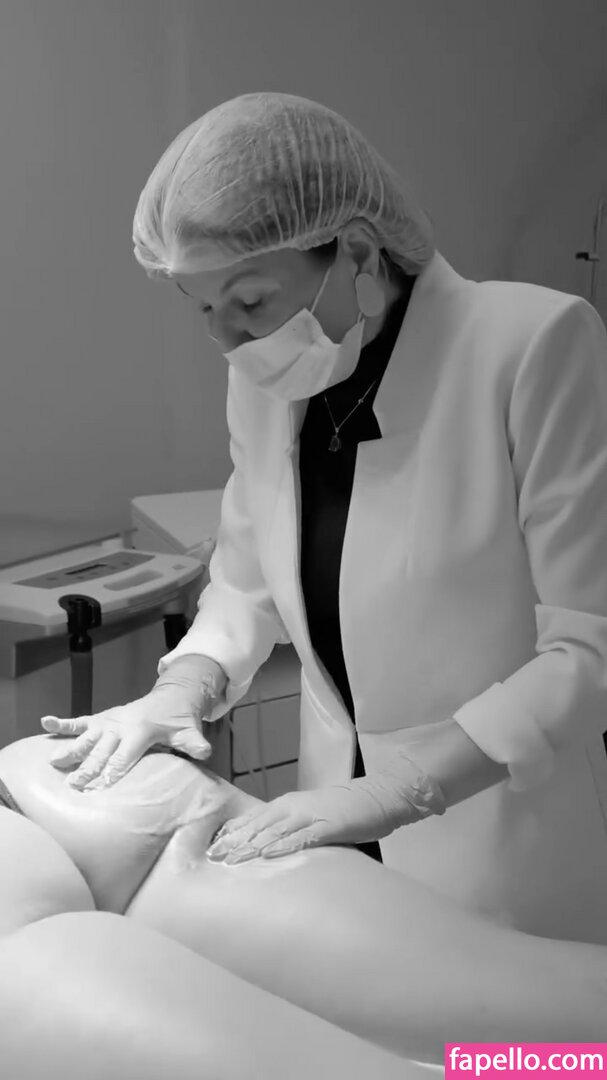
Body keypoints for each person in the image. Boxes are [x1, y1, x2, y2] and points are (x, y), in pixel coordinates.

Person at [40, 91, 607, 943]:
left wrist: (399, 789)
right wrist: (183, 687)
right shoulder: (270, 379)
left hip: (501, 828)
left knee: (504, 1024)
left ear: (357, 252)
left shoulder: (530, 346)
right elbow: (245, 583)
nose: (228, 341)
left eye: (250, 302)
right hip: (332, 816)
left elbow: (589, 650)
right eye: (203, 308)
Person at [1, 732, 607, 1072]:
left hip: (108, 800)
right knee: (571, 1029)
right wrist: (198, 665)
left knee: (548, 1047)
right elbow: (242, 586)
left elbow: (584, 648)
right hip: (98, 788)